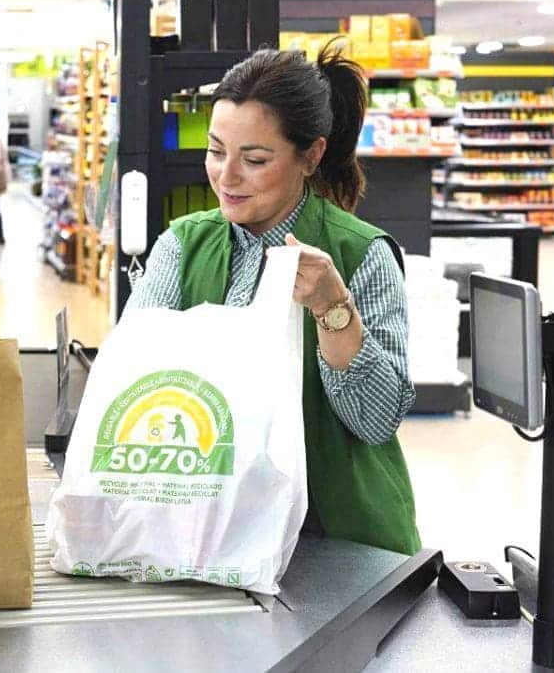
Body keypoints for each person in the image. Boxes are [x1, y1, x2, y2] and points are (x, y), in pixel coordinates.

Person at [125, 42, 421, 556]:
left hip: (336, 540)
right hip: (210, 529)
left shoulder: (361, 254)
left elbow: (375, 422)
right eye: (216, 151)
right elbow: (135, 382)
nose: (226, 176)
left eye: (255, 159)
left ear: (311, 156)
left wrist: (333, 309)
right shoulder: (182, 246)